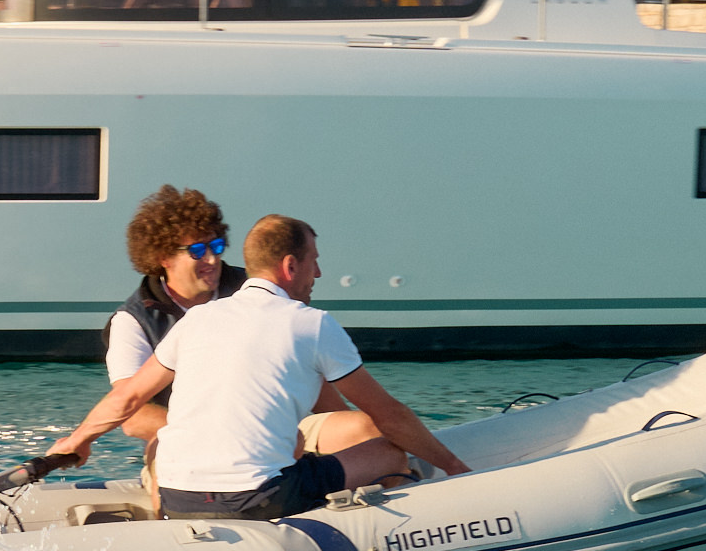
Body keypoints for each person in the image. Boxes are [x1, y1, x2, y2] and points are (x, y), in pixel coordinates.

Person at [40, 214, 468, 521]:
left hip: (177, 498)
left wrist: (78, 440)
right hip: (260, 497)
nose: (319, 273)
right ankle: (399, 536)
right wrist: (454, 467)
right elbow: (388, 415)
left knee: (295, 449)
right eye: (314, 261)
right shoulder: (312, 323)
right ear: (290, 266)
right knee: (388, 452)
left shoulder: (197, 319)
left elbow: (128, 396)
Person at [106, 184, 246, 452]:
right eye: (197, 251)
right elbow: (132, 416)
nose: (212, 260)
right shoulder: (133, 321)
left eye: (216, 246)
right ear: (164, 258)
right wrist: (216, 439)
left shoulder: (252, 291)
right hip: (186, 448)